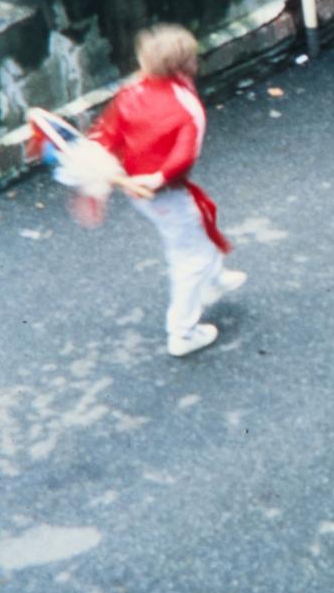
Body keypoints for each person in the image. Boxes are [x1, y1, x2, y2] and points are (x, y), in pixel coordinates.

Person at [87, 24, 245, 355]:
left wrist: (104, 175)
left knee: (195, 228)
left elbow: (105, 136)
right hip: (163, 193)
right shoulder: (187, 106)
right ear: (186, 65)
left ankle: (214, 277)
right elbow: (185, 154)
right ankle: (183, 332)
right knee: (189, 258)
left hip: (140, 191)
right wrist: (159, 178)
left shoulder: (130, 92)